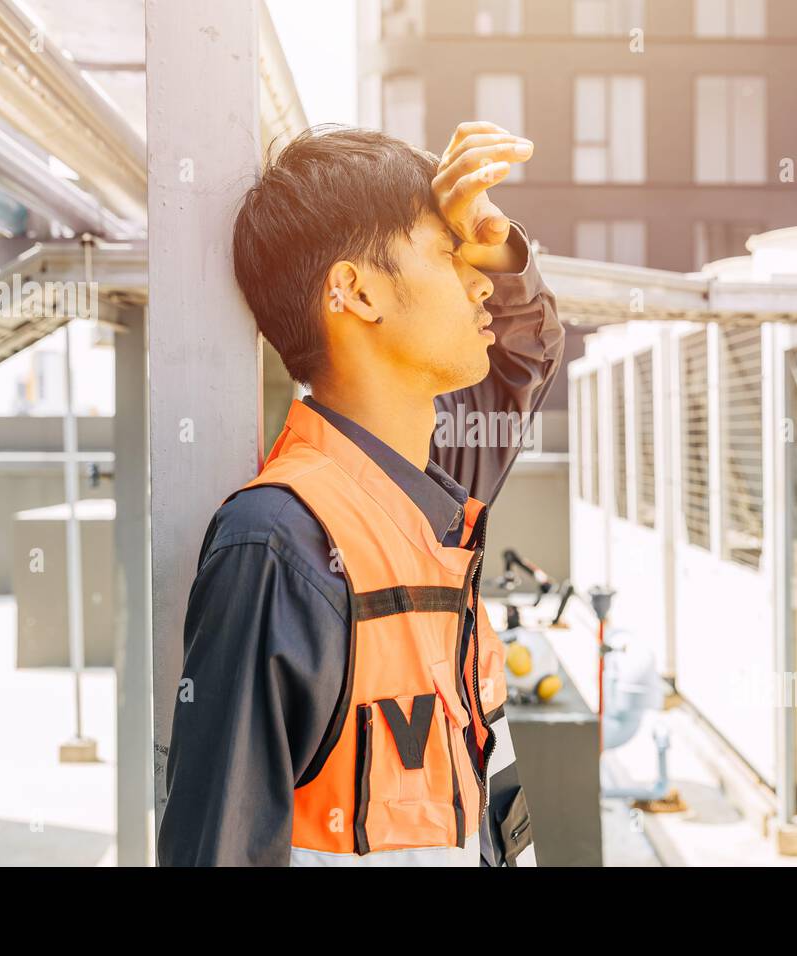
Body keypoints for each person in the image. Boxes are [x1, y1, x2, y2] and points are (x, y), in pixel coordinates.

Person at [156, 121, 564, 866]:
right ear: (356, 292)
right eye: (449, 253)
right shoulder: (282, 545)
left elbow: (526, 343)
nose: (480, 280)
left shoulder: (430, 499)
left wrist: (488, 233)